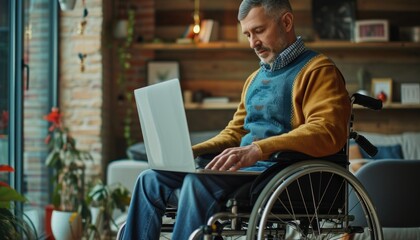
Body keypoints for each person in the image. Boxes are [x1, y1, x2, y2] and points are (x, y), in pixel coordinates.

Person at [120, 0, 351, 239]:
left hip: (278, 174)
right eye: (248, 34)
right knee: (150, 179)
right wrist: (188, 153)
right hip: (241, 172)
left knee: (196, 184)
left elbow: (327, 130)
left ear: (287, 22)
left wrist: (258, 149)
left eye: (259, 31)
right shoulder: (254, 79)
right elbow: (233, 134)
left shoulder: (318, 70)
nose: (253, 43)